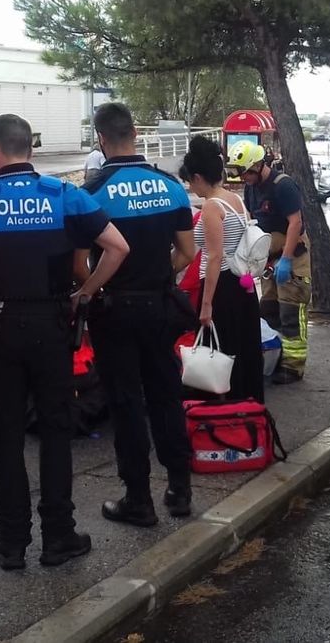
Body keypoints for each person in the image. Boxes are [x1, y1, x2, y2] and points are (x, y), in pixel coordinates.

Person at [0, 113, 130, 570]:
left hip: (0, 326)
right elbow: (118, 247)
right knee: (55, 432)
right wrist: (85, 293)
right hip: (53, 325)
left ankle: (11, 543)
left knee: (8, 433)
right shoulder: (66, 196)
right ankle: (59, 537)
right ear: (29, 148)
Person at [80, 103, 197, 527]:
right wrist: (155, 274)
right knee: (166, 394)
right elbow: (187, 251)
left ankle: (138, 499)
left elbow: (79, 263)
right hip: (159, 305)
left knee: (126, 403)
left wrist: (92, 289)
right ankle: (180, 489)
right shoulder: (170, 186)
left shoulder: (92, 191)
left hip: (113, 309)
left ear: (101, 139)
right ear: (134, 133)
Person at [181, 138, 266, 402]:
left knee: (219, 355)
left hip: (222, 289)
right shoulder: (236, 200)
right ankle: (248, 412)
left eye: (190, 182)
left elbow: (214, 256)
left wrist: (206, 305)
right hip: (244, 287)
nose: (189, 187)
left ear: (198, 177)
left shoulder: (211, 207)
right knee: (244, 352)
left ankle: (222, 417)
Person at [232, 140, 310, 384]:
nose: (242, 177)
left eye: (245, 171)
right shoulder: (251, 188)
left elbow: (295, 223)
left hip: (292, 256)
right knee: (269, 311)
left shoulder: (282, 186)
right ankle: (276, 358)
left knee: (290, 312)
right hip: (269, 257)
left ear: (257, 164)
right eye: (239, 172)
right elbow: (254, 223)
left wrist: (286, 260)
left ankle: (293, 366)